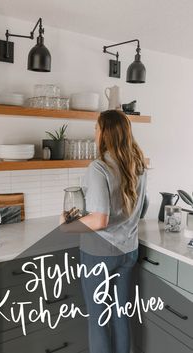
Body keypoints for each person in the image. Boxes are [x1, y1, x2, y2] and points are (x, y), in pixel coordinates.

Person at [60, 109, 147, 353]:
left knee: (98, 321)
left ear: (106, 133)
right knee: (121, 316)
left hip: (99, 254)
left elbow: (99, 220)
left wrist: (68, 225)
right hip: (129, 251)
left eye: (97, 129)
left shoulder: (99, 167)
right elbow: (144, 205)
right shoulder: (138, 164)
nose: (95, 134)